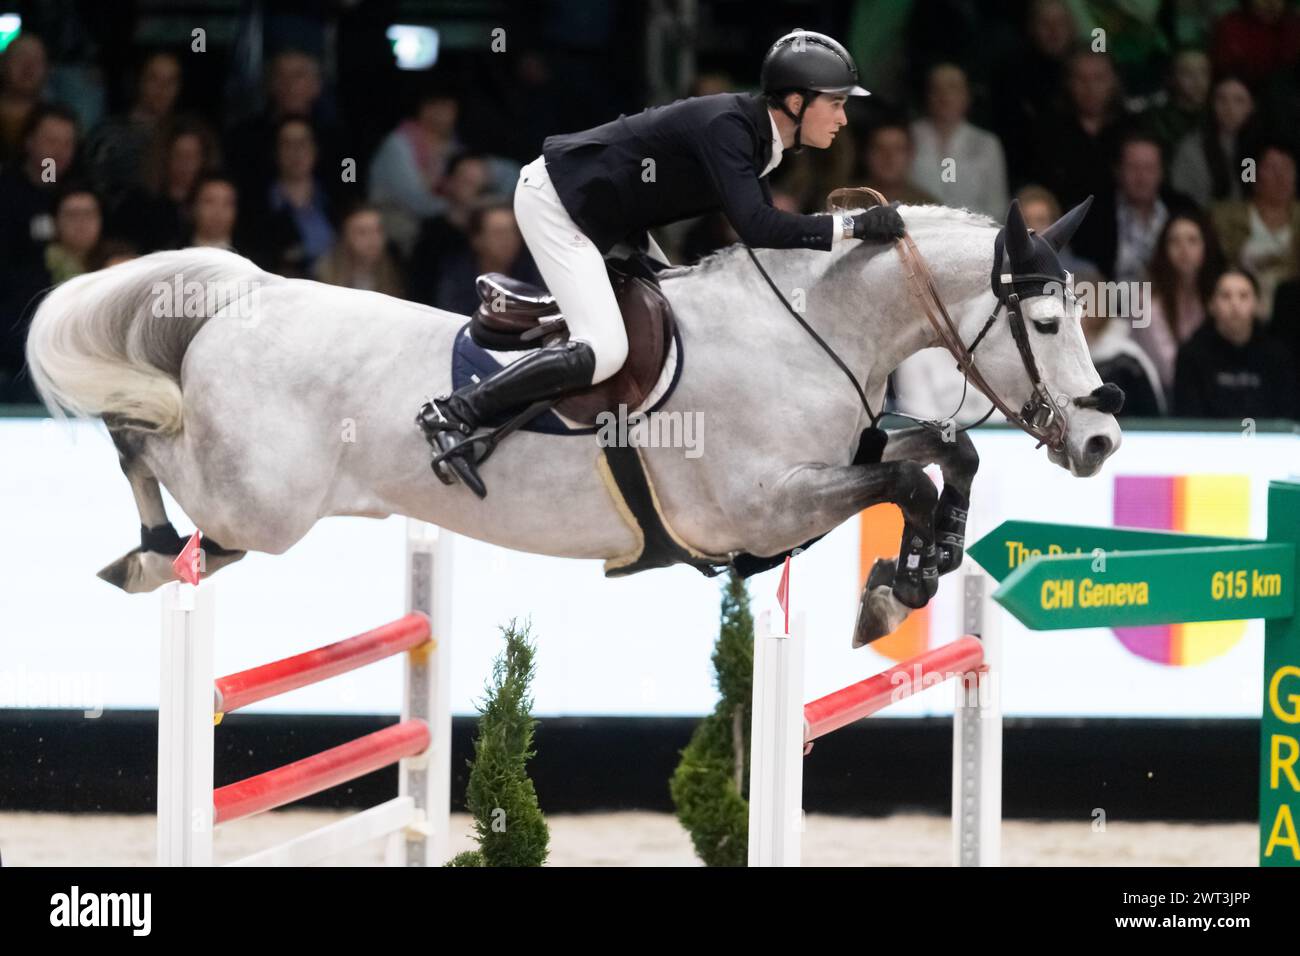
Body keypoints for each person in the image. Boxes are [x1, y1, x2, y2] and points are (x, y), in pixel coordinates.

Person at [416, 29, 906, 497]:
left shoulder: (759, 138)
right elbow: (758, 227)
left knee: (683, 321)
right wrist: (854, 228)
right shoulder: (729, 128)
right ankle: (455, 411)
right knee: (604, 347)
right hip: (560, 205)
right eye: (837, 103)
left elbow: (769, 242)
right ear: (797, 103)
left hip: (612, 221)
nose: (843, 118)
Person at [1173, 268, 1299, 419]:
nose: (1235, 304)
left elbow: (1288, 416)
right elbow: (1188, 418)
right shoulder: (1191, 356)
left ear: (1257, 304)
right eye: (1225, 296)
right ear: (1211, 305)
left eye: (1243, 296)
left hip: (1265, 440)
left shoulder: (1277, 356)